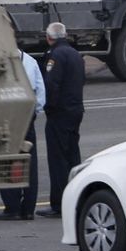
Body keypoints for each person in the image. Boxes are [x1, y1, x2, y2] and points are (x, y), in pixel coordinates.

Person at [36, 22, 86, 218]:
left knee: (57, 160)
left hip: (60, 113)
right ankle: (76, 198)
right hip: (75, 110)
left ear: (49, 38)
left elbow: (52, 85)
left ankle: (58, 204)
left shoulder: (55, 56)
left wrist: (48, 108)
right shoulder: (75, 54)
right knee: (73, 157)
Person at [0, 47, 47, 221]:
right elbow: (40, 92)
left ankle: (12, 207)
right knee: (29, 161)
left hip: (7, 114)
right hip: (27, 115)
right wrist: (34, 112)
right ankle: (29, 208)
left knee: (7, 159)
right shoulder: (30, 61)